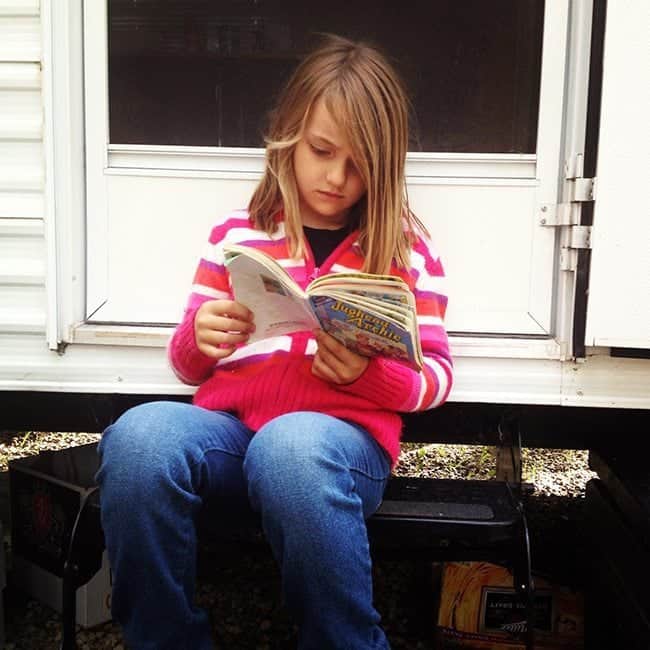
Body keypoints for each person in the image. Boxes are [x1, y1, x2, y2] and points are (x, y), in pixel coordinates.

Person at [96, 34, 453, 650]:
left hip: (340, 450)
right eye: (321, 151)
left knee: (290, 447)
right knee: (138, 437)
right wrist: (200, 340)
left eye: (359, 162)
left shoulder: (404, 251)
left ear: (385, 163)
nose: (336, 178)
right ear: (288, 134)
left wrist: (369, 376)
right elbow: (187, 365)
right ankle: (164, 639)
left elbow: (438, 378)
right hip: (234, 438)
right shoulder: (238, 236)